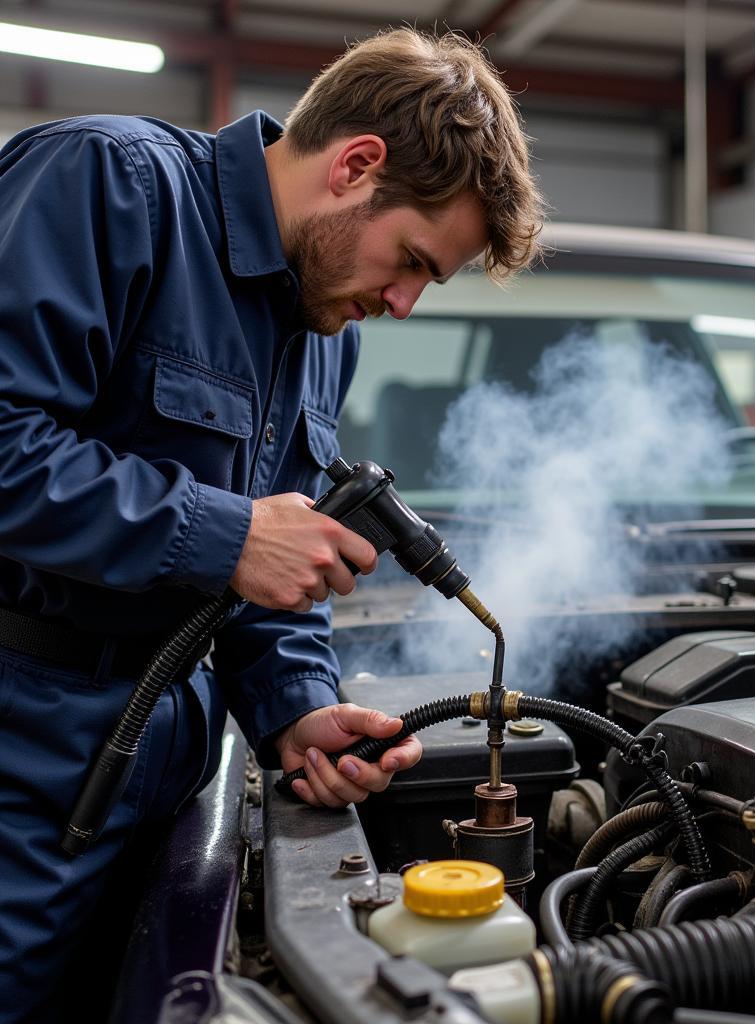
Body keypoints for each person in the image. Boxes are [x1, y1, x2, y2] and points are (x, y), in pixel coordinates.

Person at [0, 27, 544, 1023]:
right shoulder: (111, 188)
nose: (404, 303)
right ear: (355, 166)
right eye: (412, 260)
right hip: (22, 764)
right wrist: (221, 532)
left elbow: (271, 558)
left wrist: (295, 704)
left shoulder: (322, 331)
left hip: (163, 787)